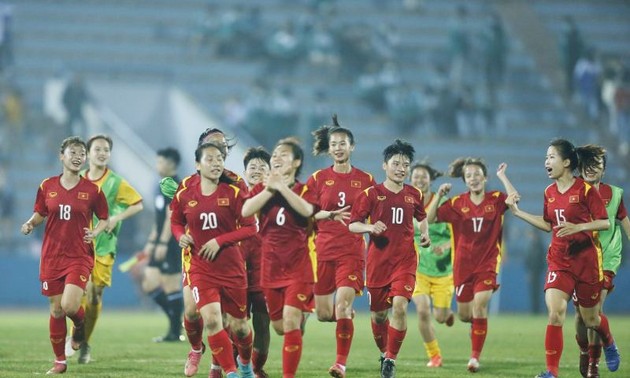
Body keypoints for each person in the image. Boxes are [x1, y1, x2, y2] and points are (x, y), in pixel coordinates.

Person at [502, 139, 620, 378]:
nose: (546, 162)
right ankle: (551, 372)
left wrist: (578, 228)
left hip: (587, 261)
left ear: (566, 162)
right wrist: (518, 212)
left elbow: (605, 222)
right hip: (560, 260)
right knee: (555, 312)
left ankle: (608, 340)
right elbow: (548, 225)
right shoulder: (549, 192)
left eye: (551, 157)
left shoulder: (585, 190)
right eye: (546, 158)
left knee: (591, 319)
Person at [160, 128, 250, 378]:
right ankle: (196, 349)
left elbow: (248, 222)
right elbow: (176, 218)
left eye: (221, 147)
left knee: (224, 320)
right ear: (200, 154)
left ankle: (219, 367)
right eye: (211, 147)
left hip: (228, 259)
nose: (217, 151)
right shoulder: (187, 185)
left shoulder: (235, 183)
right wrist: (180, 237)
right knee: (191, 312)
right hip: (195, 257)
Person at [21, 136, 109, 375]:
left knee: (70, 305)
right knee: (56, 309)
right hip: (52, 255)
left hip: (79, 254)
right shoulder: (47, 186)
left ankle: (79, 327)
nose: (78, 156)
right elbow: (40, 213)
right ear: (62, 156)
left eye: (82, 153)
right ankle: (60, 361)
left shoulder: (92, 189)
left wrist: (96, 232)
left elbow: (104, 218)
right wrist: (30, 224)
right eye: (73, 152)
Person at [349, 139, 430, 378]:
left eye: (406, 164)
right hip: (378, 263)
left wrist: (424, 233)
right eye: (396, 163)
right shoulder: (371, 194)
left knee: (400, 306)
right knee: (379, 315)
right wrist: (370, 227)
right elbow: (353, 225)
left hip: (405, 261)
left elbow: (422, 216)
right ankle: (385, 353)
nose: (401, 168)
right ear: (385, 166)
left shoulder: (415, 193)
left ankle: (391, 360)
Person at [425, 158, 514, 373]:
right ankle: (477, 327)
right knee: (465, 315)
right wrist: (439, 196)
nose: (473, 178)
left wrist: (503, 177)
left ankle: (474, 358)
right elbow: (429, 218)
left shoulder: (496, 199)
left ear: (485, 177)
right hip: (463, 267)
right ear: (464, 180)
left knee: (480, 305)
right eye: (469, 176)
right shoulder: (457, 203)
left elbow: (513, 199)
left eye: (477, 174)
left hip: (488, 264)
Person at [242, 137, 319, 378]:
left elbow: (307, 210)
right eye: (274, 154)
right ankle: (297, 322)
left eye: (283, 154)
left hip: (298, 267)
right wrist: (269, 188)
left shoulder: (306, 189)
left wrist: (282, 187)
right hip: (271, 268)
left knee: (290, 319)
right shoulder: (263, 189)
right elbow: (245, 210)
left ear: (296, 162)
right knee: (278, 327)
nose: (276, 158)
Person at [307, 116, 375, 378]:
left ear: (352, 147)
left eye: (343, 143)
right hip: (323, 250)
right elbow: (308, 213)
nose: (338, 148)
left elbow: (375, 213)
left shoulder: (366, 180)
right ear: (328, 148)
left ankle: (340, 364)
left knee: (343, 306)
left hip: (352, 251)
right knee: (325, 314)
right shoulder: (318, 178)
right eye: (334, 144)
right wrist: (326, 215)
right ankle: (344, 320)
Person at [70, 134, 144, 364]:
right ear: (88, 153)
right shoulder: (77, 178)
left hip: (104, 246)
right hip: (79, 246)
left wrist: (116, 217)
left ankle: (83, 339)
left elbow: (138, 204)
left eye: (106, 150)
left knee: (94, 295)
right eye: (97, 149)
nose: (102, 153)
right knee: (78, 294)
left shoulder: (116, 181)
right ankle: (78, 336)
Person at [572, 144, 630, 378]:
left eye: (597, 165)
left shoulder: (615, 194)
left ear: (604, 171)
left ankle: (595, 364)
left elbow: (625, 223)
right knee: (580, 315)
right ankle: (585, 350)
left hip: (607, 258)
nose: (591, 168)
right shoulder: (572, 191)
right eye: (587, 164)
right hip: (579, 258)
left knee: (595, 309)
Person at [409, 162, 454, 369]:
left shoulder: (444, 203)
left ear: (430, 180)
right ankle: (434, 355)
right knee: (422, 310)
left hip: (443, 270)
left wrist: (445, 245)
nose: (419, 180)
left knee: (440, 316)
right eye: (415, 176)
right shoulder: (406, 203)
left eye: (423, 177)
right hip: (417, 268)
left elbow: (457, 234)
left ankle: (447, 314)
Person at [141, 147, 184, 342]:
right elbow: (158, 218)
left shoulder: (174, 185)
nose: (157, 165)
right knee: (149, 283)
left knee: (171, 285)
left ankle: (175, 332)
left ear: (171, 164)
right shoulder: (160, 184)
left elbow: (171, 215)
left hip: (171, 242)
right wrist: (152, 241)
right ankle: (178, 321)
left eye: (160, 161)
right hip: (159, 242)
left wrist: (163, 242)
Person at [241, 146, 272, 378]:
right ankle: (236, 365)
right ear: (244, 172)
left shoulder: (277, 198)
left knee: (262, 322)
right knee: (236, 321)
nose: (257, 170)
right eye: (252, 167)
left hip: (265, 268)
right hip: (237, 266)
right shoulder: (234, 196)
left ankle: (256, 367)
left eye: (262, 167)